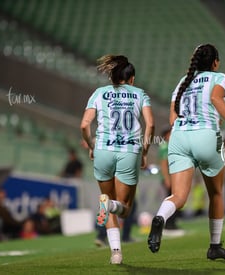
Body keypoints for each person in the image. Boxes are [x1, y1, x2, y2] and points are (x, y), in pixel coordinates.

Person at [147, 44, 225, 260]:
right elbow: (215, 99)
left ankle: (160, 217)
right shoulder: (220, 78)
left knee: (179, 196)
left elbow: (173, 118)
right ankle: (215, 246)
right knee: (216, 193)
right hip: (205, 137)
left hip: (179, 138)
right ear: (215, 62)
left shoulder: (183, 82)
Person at [80, 54, 154, 264]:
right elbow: (150, 124)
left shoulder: (99, 93)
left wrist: (92, 146)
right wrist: (145, 151)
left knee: (108, 198)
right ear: (131, 78)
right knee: (123, 207)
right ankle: (110, 206)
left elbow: (84, 125)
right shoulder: (139, 94)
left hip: (103, 150)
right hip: (128, 152)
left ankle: (116, 253)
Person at [158, 127, 182, 231]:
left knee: (174, 199)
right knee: (172, 200)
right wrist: (167, 179)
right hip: (169, 177)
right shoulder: (165, 146)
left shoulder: (170, 145)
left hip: (172, 177)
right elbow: (163, 164)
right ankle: (169, 224)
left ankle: (172, 223)